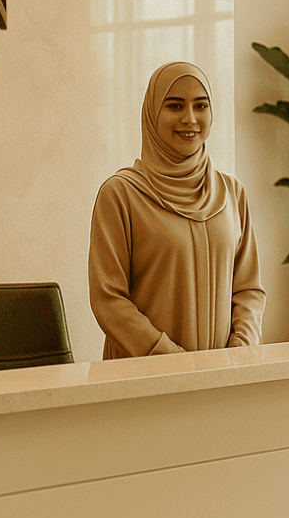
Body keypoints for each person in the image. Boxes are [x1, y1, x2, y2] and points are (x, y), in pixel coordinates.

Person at [89, 61, 266, 358]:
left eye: (201, 106)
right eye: (174, 106)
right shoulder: (120, 194)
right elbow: (109, 299)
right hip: (142, 381)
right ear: (152, 113)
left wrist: (240, 353)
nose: (190, 119)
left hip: (221, 381)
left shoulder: (231, 193)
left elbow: (248, 289)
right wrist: (169, 358)